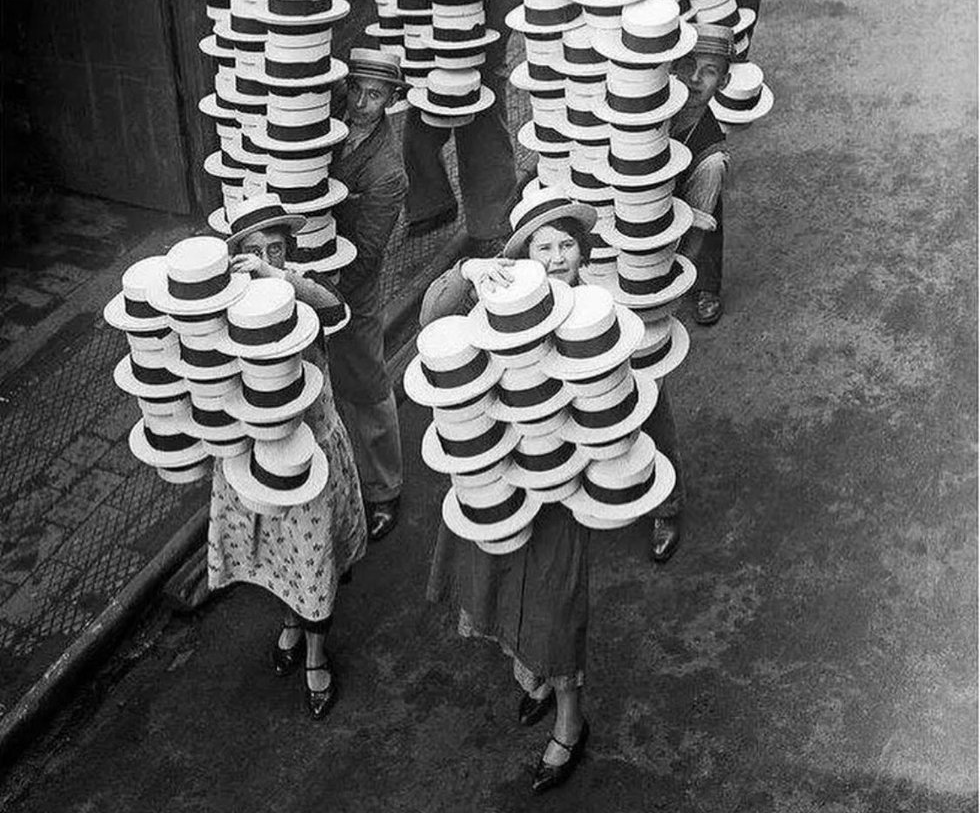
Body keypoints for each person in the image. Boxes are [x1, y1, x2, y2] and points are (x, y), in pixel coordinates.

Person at [423, 188, 682, 789]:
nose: (559, 254)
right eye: (545, 245)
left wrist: (648, 486)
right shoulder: (494, 306)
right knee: (498, 580)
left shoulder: (594, 314)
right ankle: (532, 678)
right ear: (525, 257)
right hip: (500, 475)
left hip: (568, 486)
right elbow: (433, 316)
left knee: (557, 600)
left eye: (569, 243)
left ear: (583, 252)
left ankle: (570, 720)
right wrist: (468, 268)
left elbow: (639, 406)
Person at [209, 196, 367, 721]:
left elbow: (337, 311)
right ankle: (291, 622)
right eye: (252, 252)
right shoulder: (221, 306)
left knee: (314, 557)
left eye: (274, 249)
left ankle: (317, 657)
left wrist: (282, 280)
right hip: (256, 457)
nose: (264, 259)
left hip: (310, 452)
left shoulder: (300, 290)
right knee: (277, 553)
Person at [403, 0, 538, 244]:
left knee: (484, 143)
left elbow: (495, 34)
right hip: (440, 50)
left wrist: (465, 71)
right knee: (420, 128)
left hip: (482, 58)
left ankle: (494, 223)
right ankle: (432, 205)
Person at [328, 47, 409, 542]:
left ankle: (384, 488)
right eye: (355, 89)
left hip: (352, 283)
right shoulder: (329, 119)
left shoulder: (386, 171)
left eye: (375, 95)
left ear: (391, 100)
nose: (361, 102)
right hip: (307, 268)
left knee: (366, 382)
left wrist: (328, 295)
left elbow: (369, 251)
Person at [670, 24, 733, 328]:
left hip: (694, 202)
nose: (694, 78)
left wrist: (677, 279)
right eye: (687, 66)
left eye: (709, 71)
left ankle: (706, 286)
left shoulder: (711, 152)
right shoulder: (654, 104)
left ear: (723, 82)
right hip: (655, 192)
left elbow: (699, 225)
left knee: (708, 214)